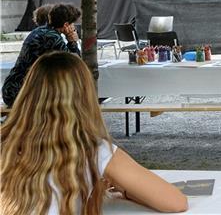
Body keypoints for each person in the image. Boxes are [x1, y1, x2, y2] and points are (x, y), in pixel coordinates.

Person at [0, 52, 187, 214]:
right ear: (84, 97)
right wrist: (128, 190)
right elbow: (175, 202)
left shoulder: (5, 141)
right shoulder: (93, 149)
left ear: (28, 94)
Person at [2, 3, 82, 108]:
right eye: (73, 24)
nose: (73, 27)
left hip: (12, 89)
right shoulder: (52, 38)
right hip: (21, 94)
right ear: (66, 25)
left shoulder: (41, 31)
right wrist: (72, 41)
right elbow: (75, 64)